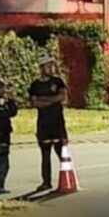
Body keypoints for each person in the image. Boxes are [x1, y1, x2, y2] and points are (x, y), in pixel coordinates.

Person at [29, 55, 69, 191]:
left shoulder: (58, 81)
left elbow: (62, 96)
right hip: (43, 124)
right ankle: (46, 182)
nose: (51, 68)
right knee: (45, 155)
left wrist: (45, 99)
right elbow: (35, 102)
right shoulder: (35, 85)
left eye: (52, 65)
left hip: (57, 123)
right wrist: (52, 100)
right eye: (48, 66)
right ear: (42, 68)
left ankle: (67, 179)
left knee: (62, 153)